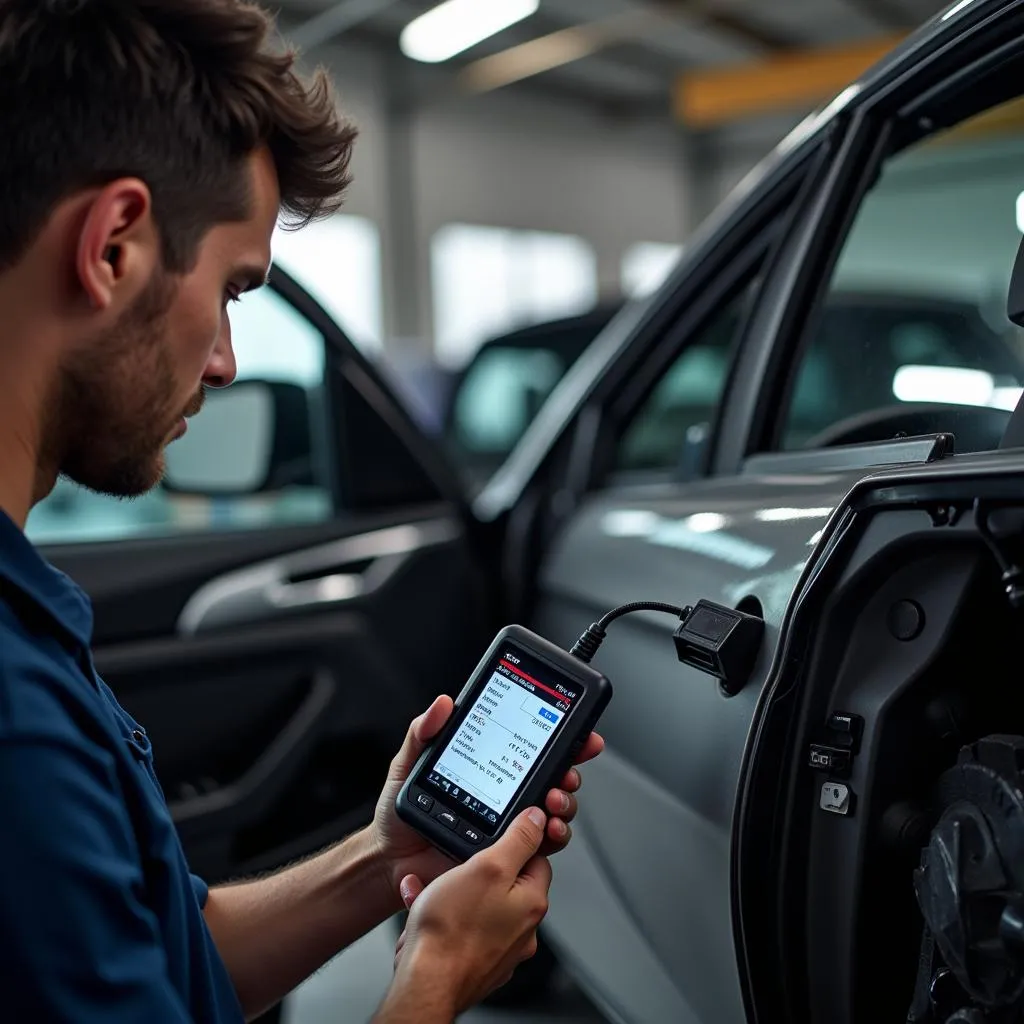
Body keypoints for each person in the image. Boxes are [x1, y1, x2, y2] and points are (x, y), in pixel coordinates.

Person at [0, 1, 605, 1022]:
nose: (229, 360)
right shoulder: (17, 720)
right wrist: (433, 980)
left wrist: (386, 856)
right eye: (235, 288)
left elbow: (158, 954)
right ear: (113, 247)